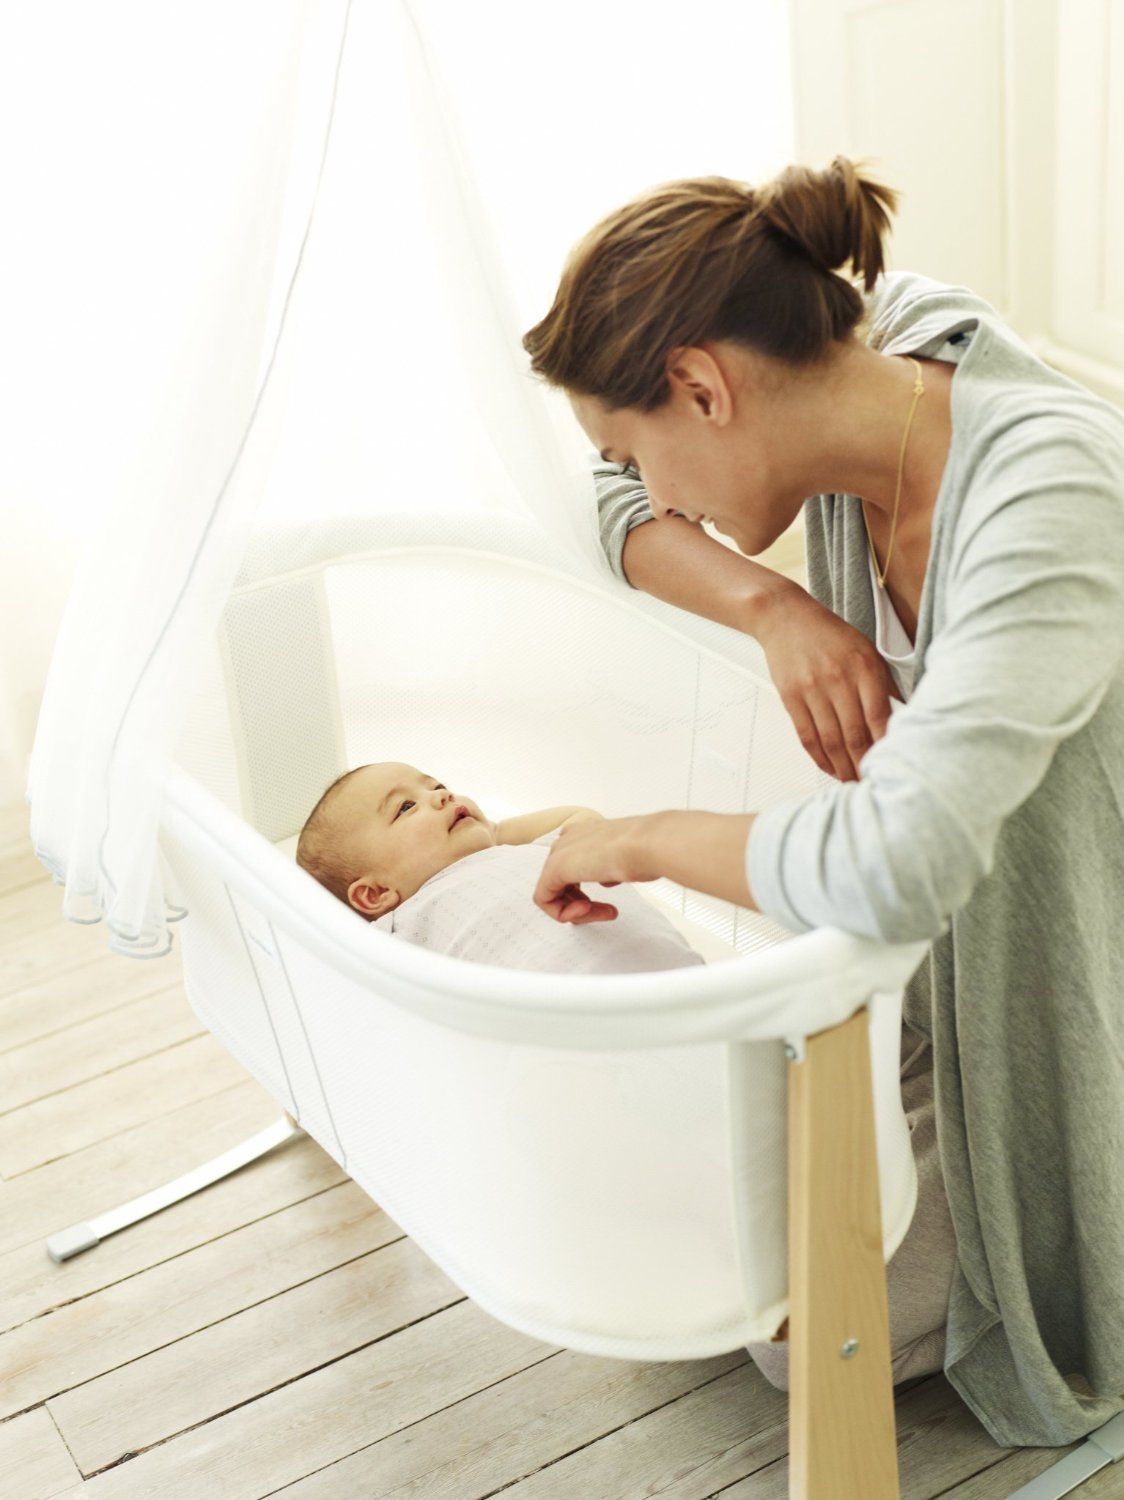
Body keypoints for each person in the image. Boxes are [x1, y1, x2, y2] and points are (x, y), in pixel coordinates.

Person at [520, 157, 1124, 1447]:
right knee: (715, 1216)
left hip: (1077, 991)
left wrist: (635, 839)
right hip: (946, 970)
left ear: (701, 387)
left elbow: (887, 865)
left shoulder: (1046, 490)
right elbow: (601, 503)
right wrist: (772, 607)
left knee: (785, 1322)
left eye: (639, 444)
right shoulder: (858, 338)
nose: (652, 494)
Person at [294, 760, 704, 975]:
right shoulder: (396, 929)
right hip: (568, 1027)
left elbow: (582, 819)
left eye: (437, 786)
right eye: (405, 807)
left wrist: (495, 831)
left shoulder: (535, 851)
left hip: (685, 986)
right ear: (375, 893)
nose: (441, 796)